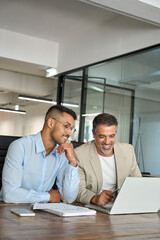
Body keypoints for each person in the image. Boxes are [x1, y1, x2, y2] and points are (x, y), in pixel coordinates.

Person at [0, 105, 80, 204]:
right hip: (11, 211)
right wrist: (48, 196)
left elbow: (69, 198)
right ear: (51, 122)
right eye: (66, 126)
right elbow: (10, 195)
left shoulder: (61, 154)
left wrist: (72, 162)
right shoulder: (20, 147)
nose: (69, 133)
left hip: (42, 214)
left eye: (71, 129)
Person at [75, 113, 141, 206]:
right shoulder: (80, 154)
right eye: (102, 136)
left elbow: (138, 182)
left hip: (122, 206)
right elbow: (77, 189)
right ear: (93, 134)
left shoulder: (128, 150)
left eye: (111, 136)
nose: (107, 142)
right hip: (93, 207)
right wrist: (95, 198)